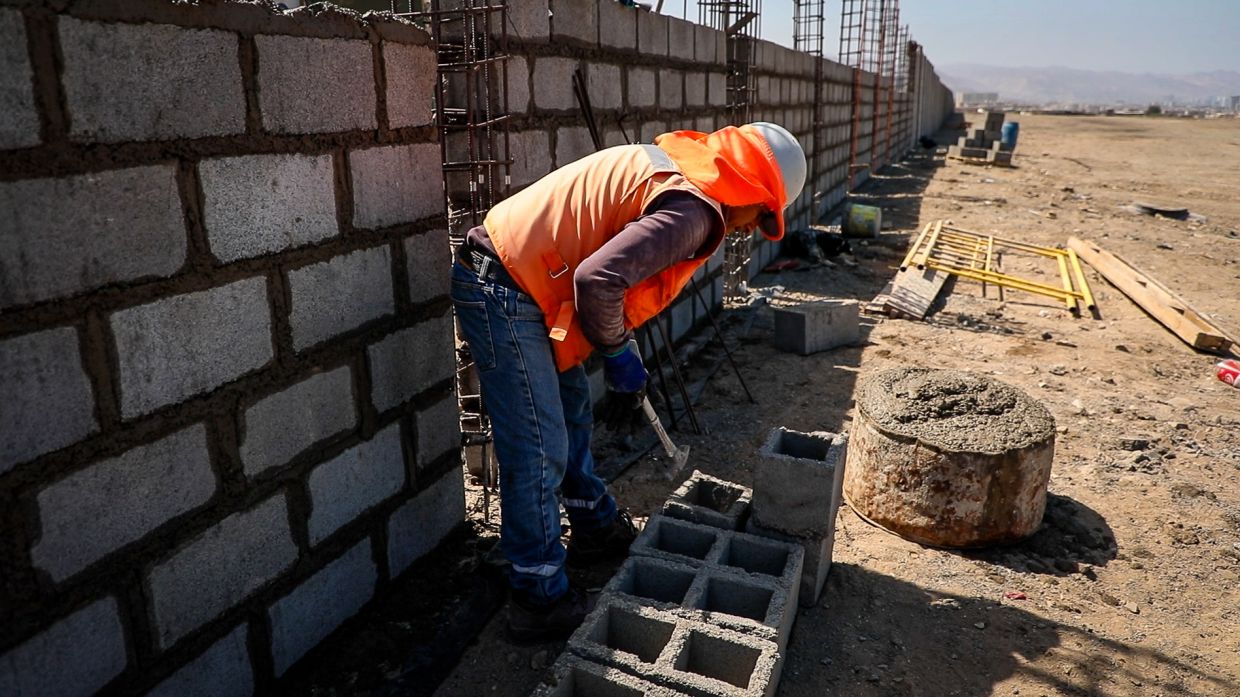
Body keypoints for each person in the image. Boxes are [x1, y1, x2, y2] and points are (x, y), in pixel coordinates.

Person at [450, 122, 807, 641]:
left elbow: (608, 273)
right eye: (763, 214)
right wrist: (617, 356)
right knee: (538, 447)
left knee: (571, 412)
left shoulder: (678, 177)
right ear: (748, 188)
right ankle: (537, 596)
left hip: (525, 281)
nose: (752, 228)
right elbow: (597, 280)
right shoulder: (694, 212)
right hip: (504, 287)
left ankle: (592, 525)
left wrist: (626, 351)